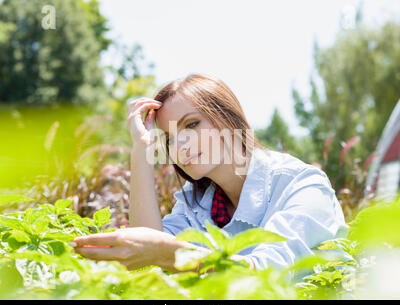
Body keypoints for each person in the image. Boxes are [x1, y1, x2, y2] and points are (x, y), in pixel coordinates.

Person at [70, 73, 348, 273]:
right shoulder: (195, 202)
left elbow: (268, 276)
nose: (179, 146)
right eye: (167, 138)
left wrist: (173, 254)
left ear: (228, 117)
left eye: (191, 125)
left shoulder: (300, 185)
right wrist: (141, 150)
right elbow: (147, 263)